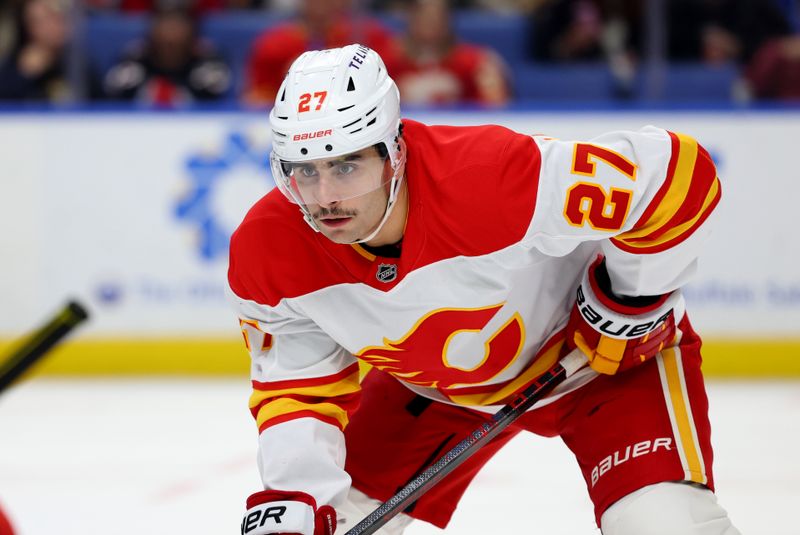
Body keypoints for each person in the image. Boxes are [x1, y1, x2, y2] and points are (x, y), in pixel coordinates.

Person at [228, 44, 740, 534]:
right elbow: (297, 390)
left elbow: (676, 176)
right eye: (303, 171)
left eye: (346, 165)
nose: (325, 197)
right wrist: (296, 500)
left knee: (662, 526)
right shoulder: (269, 248)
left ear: (395, 152)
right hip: (437, 390)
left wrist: (629, 299)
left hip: (601, 366)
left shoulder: (491, 177)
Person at [242, 0, 395, 105]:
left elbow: (390, 87)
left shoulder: (369, 36)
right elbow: (255, 98)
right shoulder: (274, 43)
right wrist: (288, 83)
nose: (322, 3)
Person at [385, 0, 510, 106]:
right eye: (423, 15)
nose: (430, 22)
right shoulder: (385, 62)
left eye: (437, 16)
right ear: (410, 18)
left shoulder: (476, 61)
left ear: (448, 20)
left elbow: (496, 108)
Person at [102, 7, 231, 105]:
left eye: (177, 27)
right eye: (164, 26)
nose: (170, 37)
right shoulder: (134, 59)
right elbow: (114, 98)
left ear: (191, 35)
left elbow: (217, 99)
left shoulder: (208, 60)